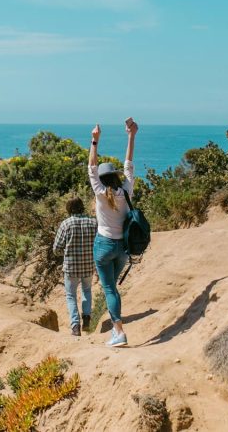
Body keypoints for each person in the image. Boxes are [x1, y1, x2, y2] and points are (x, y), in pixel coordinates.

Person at [88, 118, 137, 347]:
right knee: (112, 288)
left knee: (109, 289)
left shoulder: (99, 192)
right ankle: (114, 331)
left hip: (104, 245)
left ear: (102, 179)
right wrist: (131, 135)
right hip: (123, 249)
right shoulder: (126, 189)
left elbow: (91, 167)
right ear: (117, 177)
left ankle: (119, 332)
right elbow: (129, 163)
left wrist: (94, 142)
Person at [52, 197, 97, 337]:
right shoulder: (93, 222)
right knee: (87, 290)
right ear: (82, 206)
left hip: (71, 267)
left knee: (71, 296)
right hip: (89, 265)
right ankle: (87, 318)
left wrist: (65, 252)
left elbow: (56, 249)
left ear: (69, 208)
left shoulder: (66, 224)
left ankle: (75, 327)